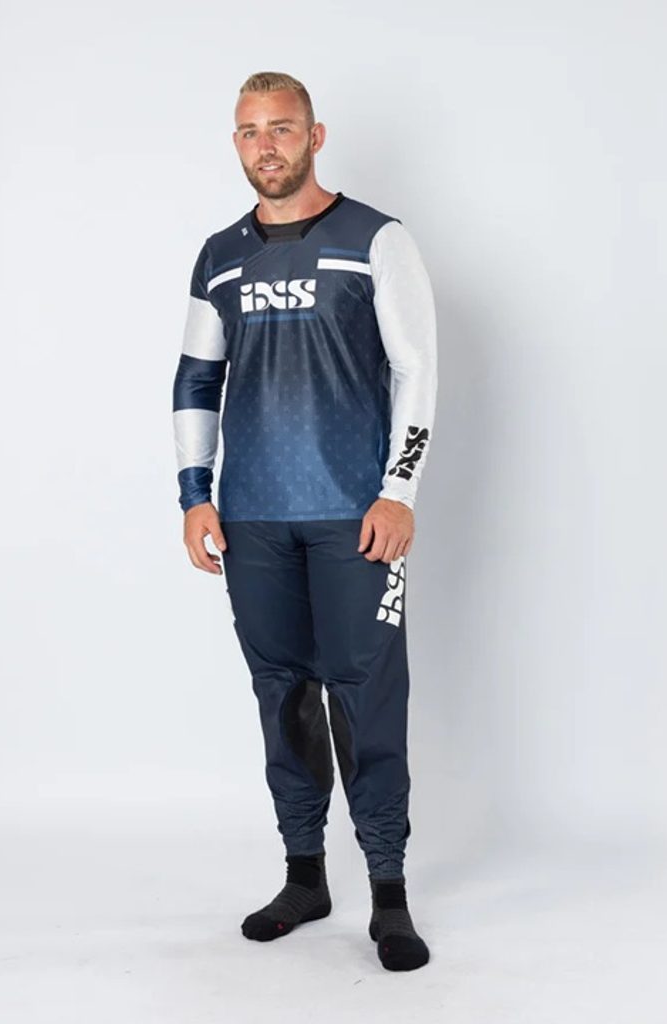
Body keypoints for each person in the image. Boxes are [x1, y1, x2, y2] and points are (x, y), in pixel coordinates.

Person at [171, 71, 438, 972]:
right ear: (236, 144)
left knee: (366, 696)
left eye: (282, 128)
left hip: (354, 515)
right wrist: (195, 495)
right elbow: (197, 378)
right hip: (253, 519)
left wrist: (399, 491)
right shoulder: (219, 256)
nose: (267, 146)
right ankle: (304, 876)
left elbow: (417, 368)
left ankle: (389, 894)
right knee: (281, 694)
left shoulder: (375, 239)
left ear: (315, 136)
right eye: (250, 132)